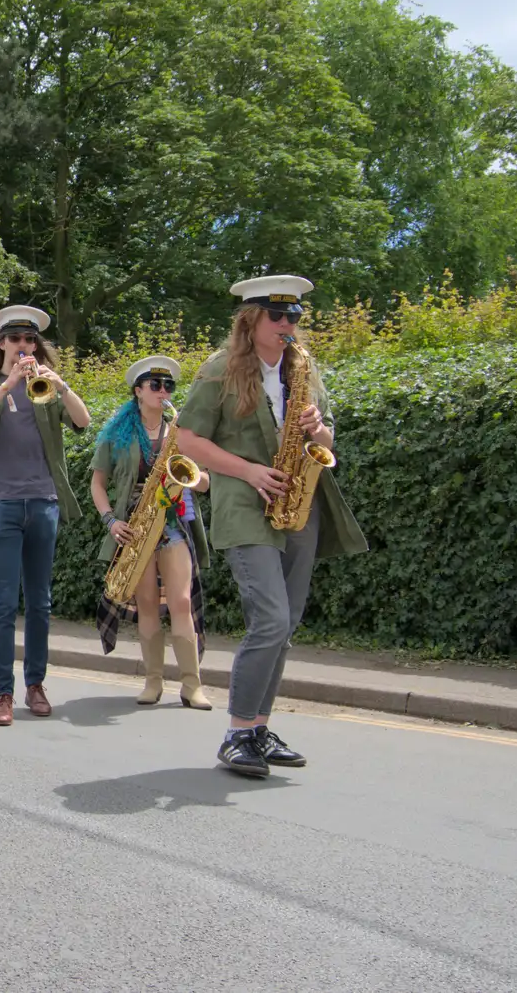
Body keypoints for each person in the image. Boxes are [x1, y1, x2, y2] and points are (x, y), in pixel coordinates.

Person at [172, 276, 368, 777]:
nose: (288, 325)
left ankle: (259, 728)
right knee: (271, 620)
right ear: (250, 319)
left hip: (299, 500)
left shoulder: (302, 367)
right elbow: (187, 439)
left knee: (287, 625)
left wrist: (321, 430)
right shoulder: (221, 369)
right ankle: (237, 733)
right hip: (245, 501)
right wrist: (249, 470)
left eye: (295, 316)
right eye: (277, 316)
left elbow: (327, 434)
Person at [0, 305, 90, 726]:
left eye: (30, 340)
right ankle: (3, 693)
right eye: (16, 339)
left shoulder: (46, 386)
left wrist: (62, 385)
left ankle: (35, 685)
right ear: (1, 343)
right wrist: (9, 383)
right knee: (3, 603)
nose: (24, 346)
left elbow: (83, 421)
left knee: (40, 602)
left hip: (43, 501)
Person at [89, 355, 212, 709]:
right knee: (145, 604)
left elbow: (204, 480)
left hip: (174, 524)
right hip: (135, 528)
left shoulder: (182, 431)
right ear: (138, 391)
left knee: (182, 602)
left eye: (168, 386)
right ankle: (153, 682)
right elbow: (97, 484)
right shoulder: (116, 432)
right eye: (155, 386)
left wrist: (196, 477)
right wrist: (111, 520)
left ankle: (192, 685)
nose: (163, 392)